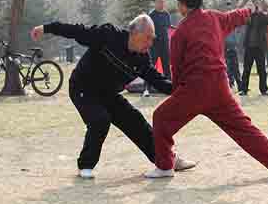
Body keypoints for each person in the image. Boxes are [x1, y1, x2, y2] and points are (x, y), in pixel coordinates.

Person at [144, 0, 268, 179]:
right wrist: (250, 9)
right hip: (220, 88)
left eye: (178, 3)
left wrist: (178, 93)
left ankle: (165, 167)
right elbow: (235, 16)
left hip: (194, 90)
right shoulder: (214, 18)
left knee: (161, 118)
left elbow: (176, 67)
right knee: (242, 127)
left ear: (183, 5)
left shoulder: (180, 32)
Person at [30, 15, 195, 179]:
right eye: (148, 38)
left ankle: (167, 160)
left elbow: (158, 81)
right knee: (100, 119)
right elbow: (75, 30)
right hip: (83, 88)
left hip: (108, 94)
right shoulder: (108, 35)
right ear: (135, 33)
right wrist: (45, 28)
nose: (151, 43)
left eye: (153, 39)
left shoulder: (142, 59)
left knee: (135, 121)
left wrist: (184, 90)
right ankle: (85, 165)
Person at [239, 0, 268, 96]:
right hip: (249, 47)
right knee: (246, 69)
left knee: (262, 70)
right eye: (255, 5)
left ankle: (263, 90)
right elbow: (243, 19)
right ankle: (244, 89)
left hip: (259, 48)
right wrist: (249, 10)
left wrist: (260, 11)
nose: (256, 7)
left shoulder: (263, 17)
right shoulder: (249, 16)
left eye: (257, 6)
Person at [143, 0, 171, 97]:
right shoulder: (151, 15)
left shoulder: (166, 14)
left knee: (166, 67)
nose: (161, 4)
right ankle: (146, 89)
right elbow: (148, 30)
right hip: (154, 45)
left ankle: (169, 88)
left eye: (163, 2)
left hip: (165, 44)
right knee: (150, 67)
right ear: (155, 3)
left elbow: (168, 27)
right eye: (159, 2)